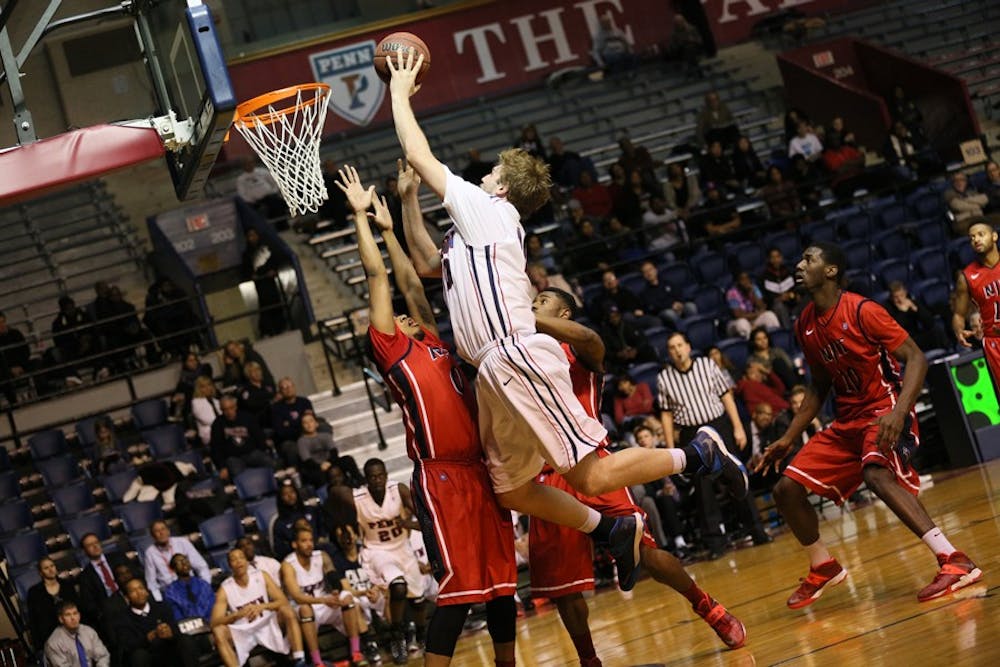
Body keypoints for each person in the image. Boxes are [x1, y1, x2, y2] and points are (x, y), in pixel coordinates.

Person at [387, 47, 746, 593]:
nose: (481, 177)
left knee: (591, 473)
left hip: (515, 352)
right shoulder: (470, 233)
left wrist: (398, 86)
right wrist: (409, 201)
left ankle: (696, 452)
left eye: (489, 174)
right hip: (492, 370)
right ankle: (610, 526)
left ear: (503, 187)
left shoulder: (489, 210)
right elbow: (422, 261)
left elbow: (417, 149)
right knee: (513, 490)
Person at [755, 242, 982, 608]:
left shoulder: (863, 310)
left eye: (808, 259)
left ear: (830, 271)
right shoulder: (805, 324)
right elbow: (818, 387)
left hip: (885, 408)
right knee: (786, 491)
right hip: (847, 421)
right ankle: (823, 566)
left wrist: (898, 413)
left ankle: (953, 560)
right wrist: (787, 438)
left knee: (876, 473)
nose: (799, 265)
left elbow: (917, 359)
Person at [528, 288, 746, 663]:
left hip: (590, 461)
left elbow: (591, 340)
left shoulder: (580, 347)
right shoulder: (520, 356)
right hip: (544, 475)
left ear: (564, 313)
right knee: (564, 589)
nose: (533, 304)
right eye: (532, 302)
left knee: (649, 553)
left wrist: (526, 319)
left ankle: (707, 607)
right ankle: (589, 660)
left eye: (542, 300)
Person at [657, 332, 768, 556]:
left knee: (736, 477)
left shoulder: (707, 364)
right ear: (668, 353)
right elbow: (666, 416)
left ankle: (757, 531)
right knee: (703, 489)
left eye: (680, 345)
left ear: (688, 347)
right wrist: (671, 447)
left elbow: (726, 395)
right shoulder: (664, 378)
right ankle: (715, 543)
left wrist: (737, 426)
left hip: (719, 426)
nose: (677, 350)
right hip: (690, 434)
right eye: (672, 347)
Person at [328, 457, 428, 664]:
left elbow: (424, 520)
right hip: (377, 552)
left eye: (380, 476)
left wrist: (408, 523)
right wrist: (342, 520)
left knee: (418, 602)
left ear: (386, 475)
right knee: (398, 587)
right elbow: (334, 492)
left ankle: (422, 635)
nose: (377, 480)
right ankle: (397, 637)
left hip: (403, 549)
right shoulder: (357, 496)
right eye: (372, 477)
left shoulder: (398, 490)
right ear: (366, 479)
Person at [281, 526, 369, 667]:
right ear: (294, 544)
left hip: (324, 603)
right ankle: (317, 662)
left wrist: (335, 592)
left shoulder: (321, 556)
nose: (309, 544)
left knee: (346, 597)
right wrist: (324, 599)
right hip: (304, 608)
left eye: (311, 540)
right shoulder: (288, 565)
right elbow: (297, 597)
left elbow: (334, 578)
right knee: (305, 609)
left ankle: (356, 652)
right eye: (304, 541)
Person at [211, 548, 306, 667]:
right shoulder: (225, 588)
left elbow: (283, 601)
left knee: (288, 611)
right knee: (218, 631)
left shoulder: (261, 575)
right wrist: (236, 615)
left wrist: (262, 607)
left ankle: (299, 660)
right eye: (234, 559)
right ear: (230, 565)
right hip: (243, 629)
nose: (238, 561)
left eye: (241, 557)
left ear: (247, 561)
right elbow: (215, 622)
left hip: (266, 622)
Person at [113, 578, 199, 667]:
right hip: (149, 656)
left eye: (141, 588)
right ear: (127, 597)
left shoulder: (161, 606)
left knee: (185, 639)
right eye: (133, 591)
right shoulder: (122, 619)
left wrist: (170, 633)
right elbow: (128, 646)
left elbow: (176, 629)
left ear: (147, 591)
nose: (139, 593)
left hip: (170, 650)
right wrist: (148, 638)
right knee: (139, 656)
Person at [953, 220, 1000, 379]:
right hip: (996, 342)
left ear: (994, 236)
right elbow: (959, 314)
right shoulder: (966, 278)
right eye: (972, 237)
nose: (976, 240)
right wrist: (959, 330)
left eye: (981, 234)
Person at [209, 394, 275, 481]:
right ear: (221, 410)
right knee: (238, 476)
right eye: (225, 410)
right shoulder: (217, 424)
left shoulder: (247, 417)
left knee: (270, 463)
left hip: (252, 453)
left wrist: (262, 449)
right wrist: (222, 467)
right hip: (233, 458)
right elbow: (216, 448)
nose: (229, 412)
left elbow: (259, 436)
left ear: (235, 407)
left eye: (231, 408)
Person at [143, 520, 212, 602]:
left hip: (191, 586)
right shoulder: (150, 553)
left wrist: (205, 587)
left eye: (163, 529)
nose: (161, 533)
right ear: (152, 536)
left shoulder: (182, 542)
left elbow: (201, 566)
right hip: (170, 593)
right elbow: (151, 583)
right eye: (157, 531)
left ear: (168, 531)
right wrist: (160, 601)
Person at [77, 533, 135, 629]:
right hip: (110, 610)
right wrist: (104, 612)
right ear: (84, 551)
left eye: (96, 542)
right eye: (90, 545)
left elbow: (136, 575)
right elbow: (89, 604)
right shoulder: (85, 577)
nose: (95, 546)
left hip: (130, 598)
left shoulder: (118, 557)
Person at [27, 558, 80, 654]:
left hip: (72, 634)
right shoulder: (34, 593)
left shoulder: (67, 585)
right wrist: (39, 647)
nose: (51, 570)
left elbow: (78, 609)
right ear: (40, 573)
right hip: (50, 638)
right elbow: (33, 620)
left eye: (52, 566)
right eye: (46, 568)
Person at [242, 228, 287, 337]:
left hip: (270, 283)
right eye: (250, 236)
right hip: (260, 285)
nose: (252, 238)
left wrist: (273, 270)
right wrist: (252, 276)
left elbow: (276, 260)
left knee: (275, 303)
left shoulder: (267, 248)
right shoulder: (247, 254)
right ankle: (268, 330)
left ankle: (280, 327)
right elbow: (246, 270)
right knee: (265, 305)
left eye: (254, 235)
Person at [271, 481, 326, 561]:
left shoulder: (311, 510)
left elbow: (322, 528)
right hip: (297, 558)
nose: (290, 496)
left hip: (318, 550)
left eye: (292, 492)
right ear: (281, 498)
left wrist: (321, 538)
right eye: (285, 494)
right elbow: (279, 549)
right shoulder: (279, 523)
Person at [44, 601, 110, 667]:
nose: (73, 618)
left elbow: (103, 656)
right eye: (68, 615)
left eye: (75, 613)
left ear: (79, 616)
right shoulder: (54, 642)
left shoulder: (89, 632)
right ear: (61, 619)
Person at [885, 281, 947, 350]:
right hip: (903, 342)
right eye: (896, 297)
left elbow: (929, 322)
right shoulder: (888, 308)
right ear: (891, 298)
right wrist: (903, 312)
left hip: (916, 336)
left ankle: (948, 353)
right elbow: (896, 330)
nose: (900, 299)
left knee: (936, 331)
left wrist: (916, 309)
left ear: (905, 293)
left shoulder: (911, 301)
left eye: (902, 295)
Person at [50, 296, 97, 386]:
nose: (71, 310)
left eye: (72, 307)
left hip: (88, 347)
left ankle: (101, 369)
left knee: (97, 342)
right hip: (71, 350)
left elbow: (93, 330)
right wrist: (77, 345)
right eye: (67, 309)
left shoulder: (84, 316)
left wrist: (87, 339)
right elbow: (58, 341)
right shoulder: (57, 323)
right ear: (62, 310)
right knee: (59, 352)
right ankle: (73, 376)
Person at [637, 260, 696, 329]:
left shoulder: (667, 283)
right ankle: (683, 332)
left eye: (650, 269)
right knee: (670, 314)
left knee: (690, 306)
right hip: (664, 311)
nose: (649, 273)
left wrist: (679, 303)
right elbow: (654, 306)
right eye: (645, 272)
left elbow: (678, 293)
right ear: (644, 275)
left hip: (677, 305)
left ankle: (695, 328)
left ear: (655, 270)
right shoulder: (645, 292)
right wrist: (671, 305)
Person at [725, 271, 782, 338]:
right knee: (743, 323)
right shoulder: (732, 293)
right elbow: (738, 315)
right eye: (742, 279)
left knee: (769, 315)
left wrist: (753, 294)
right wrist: (757, 314)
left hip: (753, 318)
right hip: (736, 322)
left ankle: (775, 340)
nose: (746, 281)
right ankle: (750, 346)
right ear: (737, 282)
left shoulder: (753, 288)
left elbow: (762, 306)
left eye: (747, 278)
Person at [162, 554, 215, 624]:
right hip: (188, 627)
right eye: (179, 562)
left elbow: (212, 605)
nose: (184, 563)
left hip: (210, 622)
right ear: (173, 568)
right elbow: (176, 615)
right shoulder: (170, 592)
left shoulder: (203, 584)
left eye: (185, 560)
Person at [747, 326, 798, 390]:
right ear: (753, 342)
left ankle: (795, 388)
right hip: (772, 385)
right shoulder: (752, 360)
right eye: (759, 339)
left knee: (778, 362)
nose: (763, 341)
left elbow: (790, 366)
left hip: (788, 379)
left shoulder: (778, 351)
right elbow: (760, 379)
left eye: (765, 338)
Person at [296, 413, 338, 488]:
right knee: (317, 475)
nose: (309, 424)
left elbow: (334, 452)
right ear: (302, 426)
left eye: (311, 421)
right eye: (305, 423)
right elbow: (307, 460)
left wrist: (329, 463)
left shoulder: (326, 436)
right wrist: (320, 466)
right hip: (315, 468)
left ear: (316, 423)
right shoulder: (301, 441)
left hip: (329, 463)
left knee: (347, 460)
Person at [760, 247, 799, 329]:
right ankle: (790, 332)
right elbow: (766, 299)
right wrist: (779, 298)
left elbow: (796, 288)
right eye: (773, 257)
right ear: (769, 259)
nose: (776, 260)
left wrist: (793, 295)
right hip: (777, 306)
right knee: (779, 306)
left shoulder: (788, 271)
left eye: (778, 257)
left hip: (792, 302)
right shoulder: (764, 277)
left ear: (781, 258)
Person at [0, 310, 31, 404]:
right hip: (5, 369)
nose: (1, 326)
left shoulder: (15, 333)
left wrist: (20, 365)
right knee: (3, 376)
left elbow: (26, 351)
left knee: (37, 363)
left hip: (21, 364)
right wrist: (10, 369)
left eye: (2, 322)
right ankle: (13, 402)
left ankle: (43, 394)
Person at [170, 352, 212, 420]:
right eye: (190, 361)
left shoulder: (205, 368)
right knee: (181, 393)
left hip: (209, 395)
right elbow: (177, 395)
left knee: (188, 391)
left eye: (195, 360)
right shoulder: (184, 377)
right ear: (185, 363)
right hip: (194, 402)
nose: (194, 362)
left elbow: (204, 382)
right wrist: (175, 400)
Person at [189, 376, 220, 447]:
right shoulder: (196, 403)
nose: (208, 388)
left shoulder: (216, 401)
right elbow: (208, 420)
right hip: (209, 434)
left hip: (222, 430)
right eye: (203, 387)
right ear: (199, 389)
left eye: (209, 385)